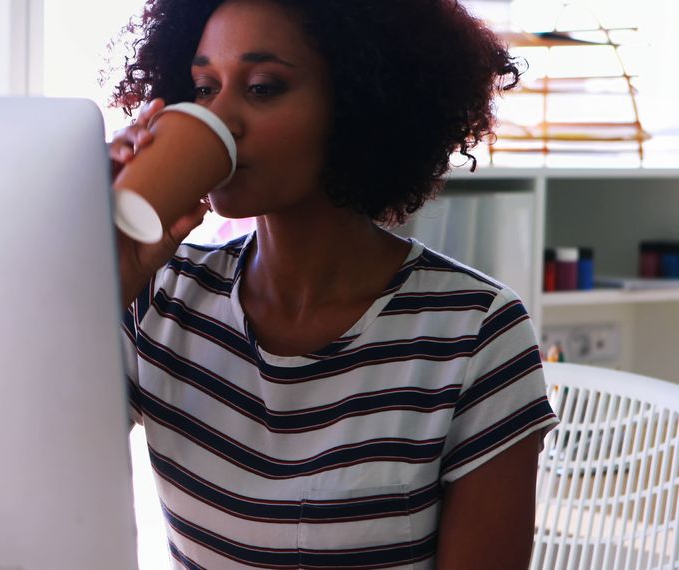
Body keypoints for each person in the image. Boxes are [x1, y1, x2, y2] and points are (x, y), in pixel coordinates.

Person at [108, 1, 559, 568]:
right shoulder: (162, 295)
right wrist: (104, 271)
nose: (220, 118)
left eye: (263, 87)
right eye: (203, 88)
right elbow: (18, 455)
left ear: (356, 102)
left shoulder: (474, 331)